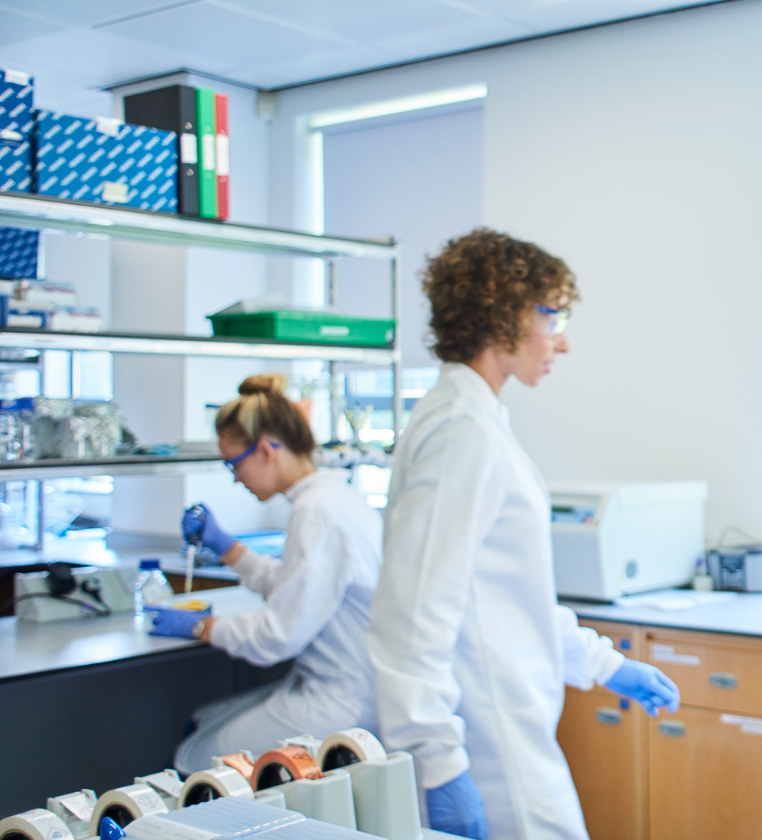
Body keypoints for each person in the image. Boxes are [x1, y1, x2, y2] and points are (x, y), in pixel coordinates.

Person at [369, 229, 681, 840]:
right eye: (553, 314)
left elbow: (509, 597)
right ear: (501, 308)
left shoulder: (473, 423)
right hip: (487, 741)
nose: (561, 341)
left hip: (506, 723)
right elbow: (412, 616)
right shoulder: (462, 433)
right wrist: (437, 761)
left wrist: (603, 663)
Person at [165, 373, 384, 775]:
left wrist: (204, 627)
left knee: (192, 760)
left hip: (340, 699)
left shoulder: (316, 512)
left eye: (233, 464)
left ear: (265, 450)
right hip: (337, 685)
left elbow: (278, 636)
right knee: (203, 721)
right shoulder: (334, 497)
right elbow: (295, 587)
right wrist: (227, 548)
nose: (234, 477)